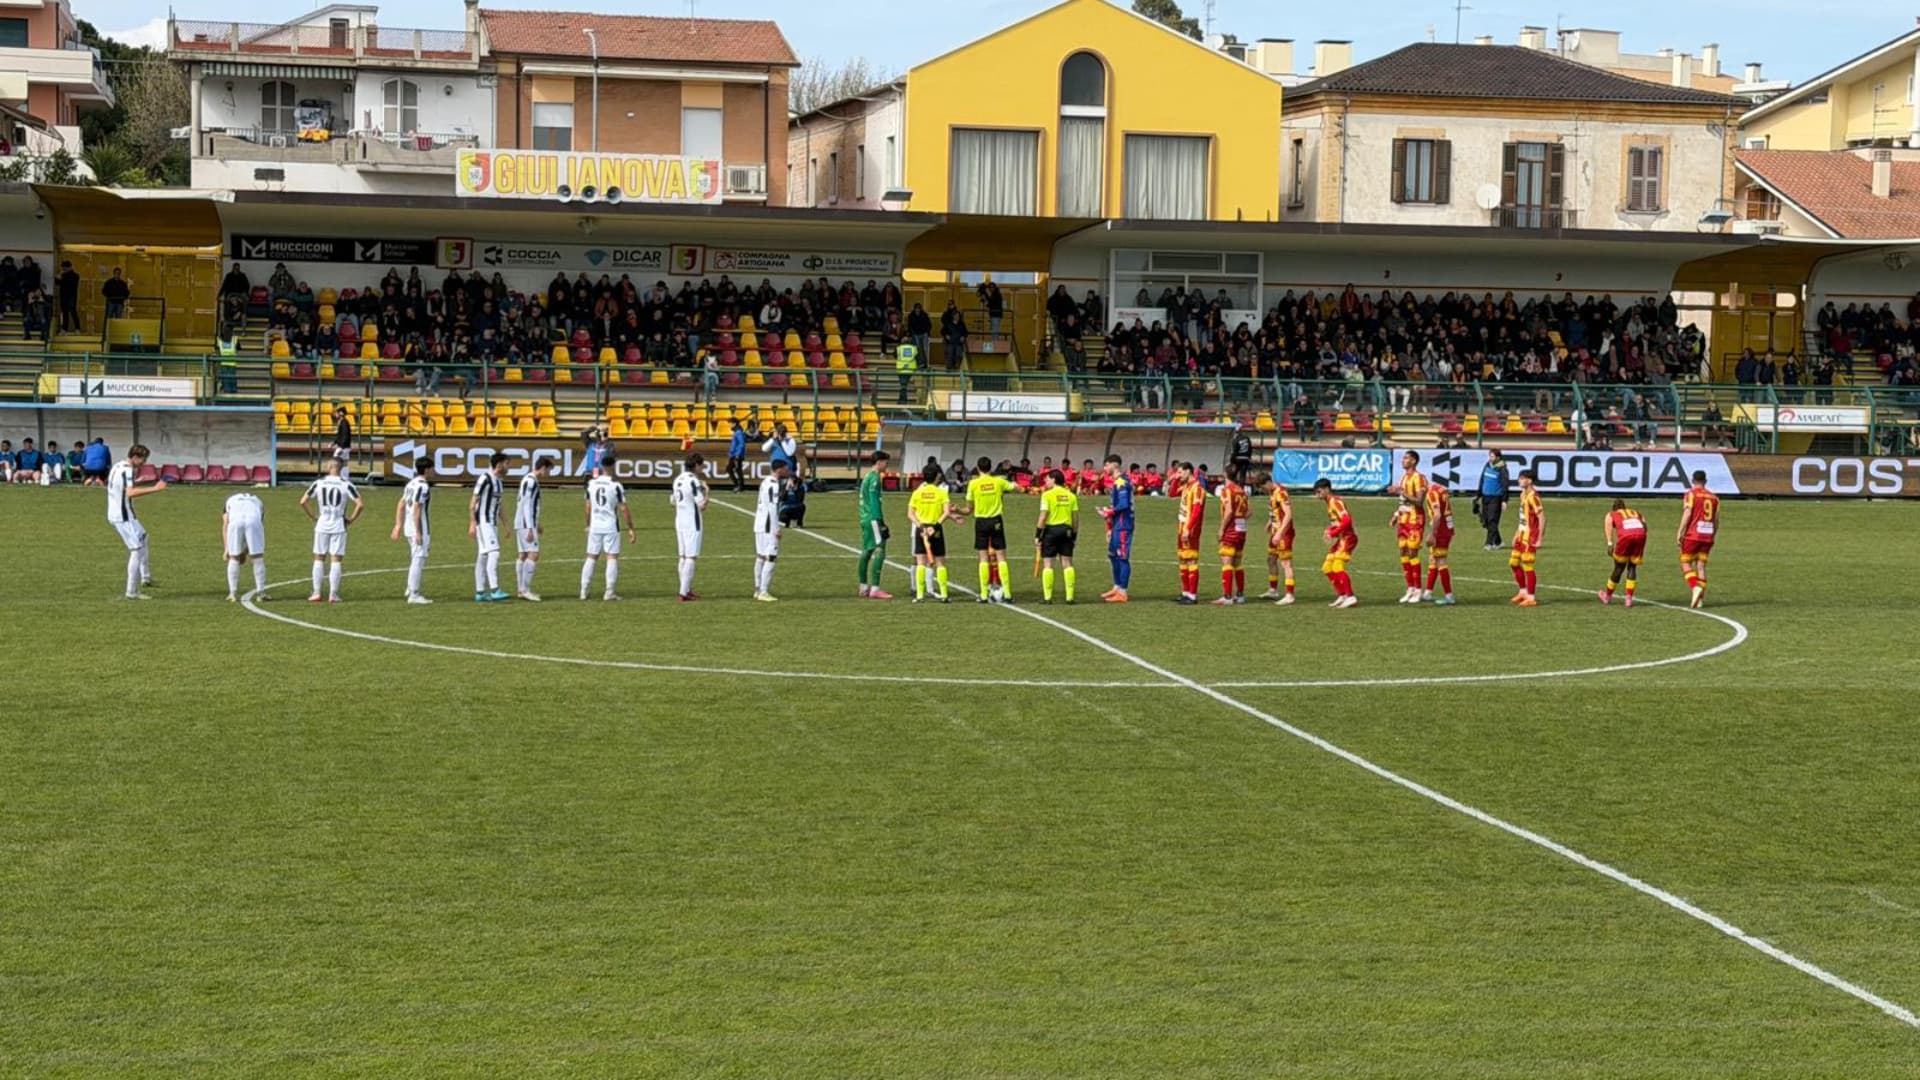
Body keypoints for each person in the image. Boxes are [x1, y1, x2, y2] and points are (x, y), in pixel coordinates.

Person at [107, 444, 166, 600]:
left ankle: (146, 578)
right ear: (135, 457)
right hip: (122, 516)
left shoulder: (118, 465)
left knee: (144, 537)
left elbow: (119, 486)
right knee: (136, 549)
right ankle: (131, 591)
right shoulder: (127, 470)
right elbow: (130, 492)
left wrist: (138, 481)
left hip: (121, 513)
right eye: (143, 460)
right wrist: (155, 488)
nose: (144, 463)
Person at [299, 457, 362, 603]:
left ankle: (316, 592)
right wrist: (351, 519)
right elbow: (360, 504)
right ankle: (333, 594)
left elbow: (303, 501)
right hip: (339, 524)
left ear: (329, 466)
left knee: (319, 557)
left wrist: (313, 516)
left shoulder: (319, 483)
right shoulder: (346, 484)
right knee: (336, 559)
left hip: (322, 522)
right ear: (340, 468)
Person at [582, 455, 635, 601]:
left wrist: (588, 524)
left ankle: (583, 590)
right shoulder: (615, 485)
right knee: (611, 557)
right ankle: (609, 592)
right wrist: (630, 528)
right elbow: (623, 509)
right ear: (613, 466)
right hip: (611, 525)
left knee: (591, 556)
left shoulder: (591, 484)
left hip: (595, 526)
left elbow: (587, 506)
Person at [964, 457, 1017, 604]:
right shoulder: (998, 481)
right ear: (991, 467)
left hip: (981, 521)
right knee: (1001, 557)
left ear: (978, 468)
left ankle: (983, 594)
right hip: (996, 521)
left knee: (983, 558)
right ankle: (1007, 593)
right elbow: (1016, 487)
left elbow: (968, 509)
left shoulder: (973, 484)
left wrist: (957, 512)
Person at [907, 463, 960, 603]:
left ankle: (919, 595)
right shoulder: (941, 493)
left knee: (920, 562)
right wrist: (935, 526)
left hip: (921, 529)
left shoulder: (917, 493)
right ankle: (944, 594)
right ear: (936, 476)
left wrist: (921, 527)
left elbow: (910, 514)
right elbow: (946, 512)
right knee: (940, 562)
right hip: (936, 530)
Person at [390, 458, 435, 604]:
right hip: (418, 526)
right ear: (427, 470)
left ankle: (410, 587)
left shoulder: (411, 483)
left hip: (408, 526)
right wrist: (419, 532)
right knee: (418, 558)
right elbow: (417, 508)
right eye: (432, 469)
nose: (433, 472)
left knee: (415, 556)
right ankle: (414, 594)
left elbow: (401, 504)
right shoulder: (423, 486)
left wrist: (398, 525)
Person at [1676, 470, 1720, 609]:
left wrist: (1680, 531)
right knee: (1701, 566)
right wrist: (1713, 534)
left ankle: (1695, 587)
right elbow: (1716, 519)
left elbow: (1688, 512)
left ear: (1692, 480)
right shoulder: (1714, 498)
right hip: (1708, 534)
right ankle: (1699, 600)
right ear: (1705, 481)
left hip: (1693, 535)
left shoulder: (1691, 494)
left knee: (1685, 563)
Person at [469, 453, 509, 603]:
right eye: (506, 464)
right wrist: (472, 523)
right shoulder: (485, 478)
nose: (508, 467)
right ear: (498, 465)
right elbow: (473, 502)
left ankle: (480, 592)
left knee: (483, 556)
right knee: (494, 552)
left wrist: (506, 525)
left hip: (492, 523)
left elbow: (499, 505)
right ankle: (494, 589)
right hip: (484, 522)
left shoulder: (499, 482)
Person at [1314, 477, 1359, 608]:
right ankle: (1342, 595)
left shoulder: (1335, 501)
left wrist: (1333, 533)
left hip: (1348, 538)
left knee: (1337, 567)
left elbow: (1347, 520)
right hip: (1341, 538)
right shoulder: (1329, 503)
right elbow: (1338, 522)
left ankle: (1350, 596)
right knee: (1327, 567)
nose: (1317, 495)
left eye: (1319, 492)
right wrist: (1330, 530)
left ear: (1327, 489)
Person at [1036, 469, 1079, 604]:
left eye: (1047, 479)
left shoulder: (1047, 495)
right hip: (1066, 530)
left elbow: (1043, 517)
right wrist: (1074, 535)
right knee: (1067, 563)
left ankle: (1048, 598)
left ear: (1054, 479)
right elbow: (1075, 519)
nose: (1045, 481)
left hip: (1051, 531)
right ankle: (1070, 597)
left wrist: (1037, 535)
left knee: (1048, 564)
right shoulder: (1071, 496)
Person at [670, 452, 709, 602]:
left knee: (683, 556)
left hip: (680, 520)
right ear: (696, 466)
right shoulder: (693, 481)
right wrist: (707, 492)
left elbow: (672, 501)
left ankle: (685, 589)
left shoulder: (677, 479)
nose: (702, 468)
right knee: (691, 557)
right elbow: (702, 505)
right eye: (702, 465)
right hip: (692, 521)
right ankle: (683, 593)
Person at [1391, 450, 1429, 603]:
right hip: (1403, 520)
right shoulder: (1402, 478)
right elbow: (1403, 501)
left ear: (1414, 461)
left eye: (1406, 458)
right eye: (1403, 458)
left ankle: (1418, 589)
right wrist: (1395, 515)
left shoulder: (1419, 478)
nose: (1403, 460)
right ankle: (1410, 588)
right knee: (1403, 552)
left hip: (1415, 520)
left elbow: (1419, 501)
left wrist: (1401, 492)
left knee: (1413, 553)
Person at [857, 451, 894, 600]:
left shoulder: (867, 476)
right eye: (885, 462)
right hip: (872, 518)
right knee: (880, 549)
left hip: (865, 518)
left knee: (867, 550)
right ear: (879, 462)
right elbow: (873, 501)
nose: (886, 466)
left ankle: (863, 586)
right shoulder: (875, 478)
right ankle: (875, 589)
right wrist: (879, 521)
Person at [514, 458, 552, 602]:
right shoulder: (531, 481)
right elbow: (527, 505)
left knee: (523, 555)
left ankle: (520, 589)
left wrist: (536, 523)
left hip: (522, 521)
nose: (548, 473)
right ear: (542, 467)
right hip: (525, 523)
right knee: (533, 554)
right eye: (548, 470)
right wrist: (531, 527)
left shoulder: (527, 479)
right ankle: (525, 590)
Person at [1600, 497, 1648, 608]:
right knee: (1632, 567)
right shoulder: (1636, 512)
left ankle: (1607, 596)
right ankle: (1628, 599)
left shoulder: (1612, 514)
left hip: (1626, 537)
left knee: (1619, 567)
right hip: (1641, 535)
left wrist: (1610, 543)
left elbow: (1608, 525)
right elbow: (1645, 526)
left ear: (1614, 508)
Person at [752, 459, 789, 602]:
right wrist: (776, 528)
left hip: (759, 524)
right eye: (785, 468)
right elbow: (773, 508)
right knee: (771, 557)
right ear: (779, 469)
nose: (786, 471)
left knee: (760, 556)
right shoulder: (773, 485)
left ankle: (757, 589)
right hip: (768, 526)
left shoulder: (765, 481)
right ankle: (764, 591)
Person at [1212, 465, 1250, 605]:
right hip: (1242, 529)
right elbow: (1249, 512)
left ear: (1225, 474)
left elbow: (1228, 511)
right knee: (1238, 563)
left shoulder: (1227, 490)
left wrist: (1222, 528)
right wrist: (1240, 519)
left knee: (1226, 562)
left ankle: (1227, 596)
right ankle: (1240, 595)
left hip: (1231, 528)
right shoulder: (1241, 490)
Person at [222, 489, 267, 603]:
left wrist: (227, 549)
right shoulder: (258, 501)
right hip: (254, 520)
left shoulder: (229, 502)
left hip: (235, 522)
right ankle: (261, 593)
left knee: (233, 558)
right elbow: (256, 523)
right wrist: (245, 552)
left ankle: (232, 594)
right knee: (257, 557)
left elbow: (226, 525)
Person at [1099, 454, 1134, 603]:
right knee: (1112, 555)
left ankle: (1123, 592)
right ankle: (1117, 586)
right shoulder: (1116, 482)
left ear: (1114, 465)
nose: (1105, 469)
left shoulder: (1121, 482)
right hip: (1116, 525)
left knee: (1122, 557)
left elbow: (1124, 505)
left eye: (1106, 465)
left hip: (1123, 525)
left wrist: (1109, 512)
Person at [1171, 461, 1206, 604]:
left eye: (1180, 472)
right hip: (1181, 527)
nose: (1178, 475)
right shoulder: (1186, 486)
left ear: (1188, 471)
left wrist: (1188, 528)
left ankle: (1192, 595)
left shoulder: (1197, 488)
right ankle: (1185, 592)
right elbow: (1172, 494)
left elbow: (1197, 511)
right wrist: (1174, 480)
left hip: (1190, 530)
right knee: (1183, 559)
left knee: (1191, 559)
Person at [1508, 470, 1545, 607]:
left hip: (1530, 536)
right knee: (1513, 562)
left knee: (1527, 564)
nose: (1519, 481)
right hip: (1522, 534)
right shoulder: (1523, 494)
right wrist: (1516, 533)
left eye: (1522, 478)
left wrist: (1540, 538)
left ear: (1529, 481)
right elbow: (1523, 517)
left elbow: (1542, 517)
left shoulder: (1533, 497)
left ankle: (1531, 597)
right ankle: (1523, 591)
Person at [1262, 475, 1297, 605]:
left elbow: (1288, 514)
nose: (1264, 490)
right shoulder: (1272, 492)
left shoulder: (1281, 493)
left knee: (1286, 563)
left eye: (1263, 487)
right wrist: (1269, 523)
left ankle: (1290, 594)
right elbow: (1276, 511)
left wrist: (1280, 533)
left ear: (1268, 482)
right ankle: (1273, 590)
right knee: (1271, 559)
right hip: (1275, 531)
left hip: (1284, 533)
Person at [1421, 479, 1457, 605]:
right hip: (1448, 526)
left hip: (1441, 529)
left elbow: (1437, 515)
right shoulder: (1440, 488)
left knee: (1441, 560)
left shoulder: (1431, 493)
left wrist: (1433, 534)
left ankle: (1449, 596)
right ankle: (1428, 592)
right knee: (1433, 559)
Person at [1477, 447, 1510, 549]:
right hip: (1485, 496)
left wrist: (1504, 500)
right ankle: (1498, 541)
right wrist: (1478, 495)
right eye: (1489, 456)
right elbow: (1482, 480)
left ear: (1498, 457)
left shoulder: (1502, 469)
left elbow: (1505, 485)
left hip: (1496, 498)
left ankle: (1489, 543)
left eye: (1492, 456)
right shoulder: (1487, 465)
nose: (1490, 458)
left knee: (1492, 520)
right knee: (1486, 521)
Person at [57, 261, 81, 332]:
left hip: (71, 296)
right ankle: (65, 329)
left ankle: (77, 328)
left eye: (65, 268)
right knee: (65, 312)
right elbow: (57, 283)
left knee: (73, 312)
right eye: (63, 268)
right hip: (63, 296)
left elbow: (71, 284)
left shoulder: (75, 275)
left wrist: (62, 279)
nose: (64, 269)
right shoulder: (62, 275)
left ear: (69, 267)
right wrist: (58, 278)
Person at [331, 405, 354, 477]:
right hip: (345, 446)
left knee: (336, 461)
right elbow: (340, 436)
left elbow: (345, 435)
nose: (335, 414)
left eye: (337, 413)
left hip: (343, 447)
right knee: (344, 463)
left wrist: (342, 447)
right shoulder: (343, 422)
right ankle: (345, 477)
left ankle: (338, 476)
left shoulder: (344, 422)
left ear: (340, 413)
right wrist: (334, 443)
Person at [726, 420, 749, 492]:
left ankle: (740, 486)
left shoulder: (738, 432)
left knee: (737, 470)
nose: (729, 426)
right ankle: (738, 485)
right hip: (734, 454)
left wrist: (738, 454)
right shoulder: (737, 432)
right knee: (732, 469)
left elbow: (741, 444)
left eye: (730, 424)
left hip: (736, 455)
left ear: (734, 424)